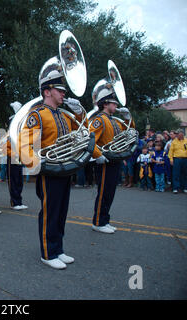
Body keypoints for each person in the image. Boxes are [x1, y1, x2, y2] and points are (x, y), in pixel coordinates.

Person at [19, 58, 85, 270]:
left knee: (62, 211)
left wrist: (80, 113)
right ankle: (48, 252)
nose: (63, 94)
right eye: (59, 90)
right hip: (49, 170)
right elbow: (24, 143)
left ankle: (58, 248)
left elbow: (81, 133)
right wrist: (36, 163)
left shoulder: (65, 116)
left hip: (66, 169)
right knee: (50, 211)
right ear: (47, 91)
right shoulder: (37, 114)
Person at [89, 80, 136, 234]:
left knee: (110, 192)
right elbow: (89, 140)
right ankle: (98, 222)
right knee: (104, 192)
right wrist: (98, 155)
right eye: (113, 103)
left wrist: (128, 118)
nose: (116, 106)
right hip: (104, 161)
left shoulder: (114, 120)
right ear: (105, 104)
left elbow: (131, 131)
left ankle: (104, 220)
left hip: (114, 160)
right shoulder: (99, 120)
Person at [6, 101, 28, 210]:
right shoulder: (9, 134)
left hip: (20, 158)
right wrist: (15, 155)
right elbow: (6, 148)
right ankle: (14, 202)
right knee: (13, 181)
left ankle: (19, 201)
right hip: (13, 158)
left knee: (20, 181)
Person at [168, 129, 187, 194]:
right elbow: (171, 151)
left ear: (182, 134)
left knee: (184, 174)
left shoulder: (186, 140)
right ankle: (175, 188)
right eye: (178, 134)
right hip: (177, 159)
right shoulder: (174, 142)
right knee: (176, 174)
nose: (178, 135)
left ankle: (184, 188)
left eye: (179, 134)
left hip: (185, 159)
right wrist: (171, 159)